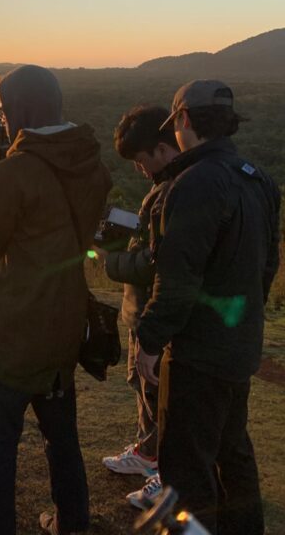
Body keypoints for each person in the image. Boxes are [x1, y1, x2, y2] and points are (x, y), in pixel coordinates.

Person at [0, 65, 111, 535]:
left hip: (11, 334)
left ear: (21, 111)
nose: (1, 120)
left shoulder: (17, 170)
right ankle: (72, 523)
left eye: (4, 111)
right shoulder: (91, 163)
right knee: (62, 441)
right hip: (63, 329)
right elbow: (47, 223)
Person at [135, 80, 280, 535]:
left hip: (198, 353)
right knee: (233, 454)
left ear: (183, 121)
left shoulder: (193, 184)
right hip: (240, 345)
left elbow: (176, 280)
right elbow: (267, 268)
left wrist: (150, 341)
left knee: (186, 469)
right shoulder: (257, 178)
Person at [94, 106, 179, 509]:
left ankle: (162, 469)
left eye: (141, 161)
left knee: (157, 393)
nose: (139, 170)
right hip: (141, 311)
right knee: (144, 389)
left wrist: (110, 259)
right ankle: (148, 454)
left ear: (162, 149)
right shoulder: (168, 186)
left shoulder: (175, 192)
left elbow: (154, 263)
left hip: (153, 313)